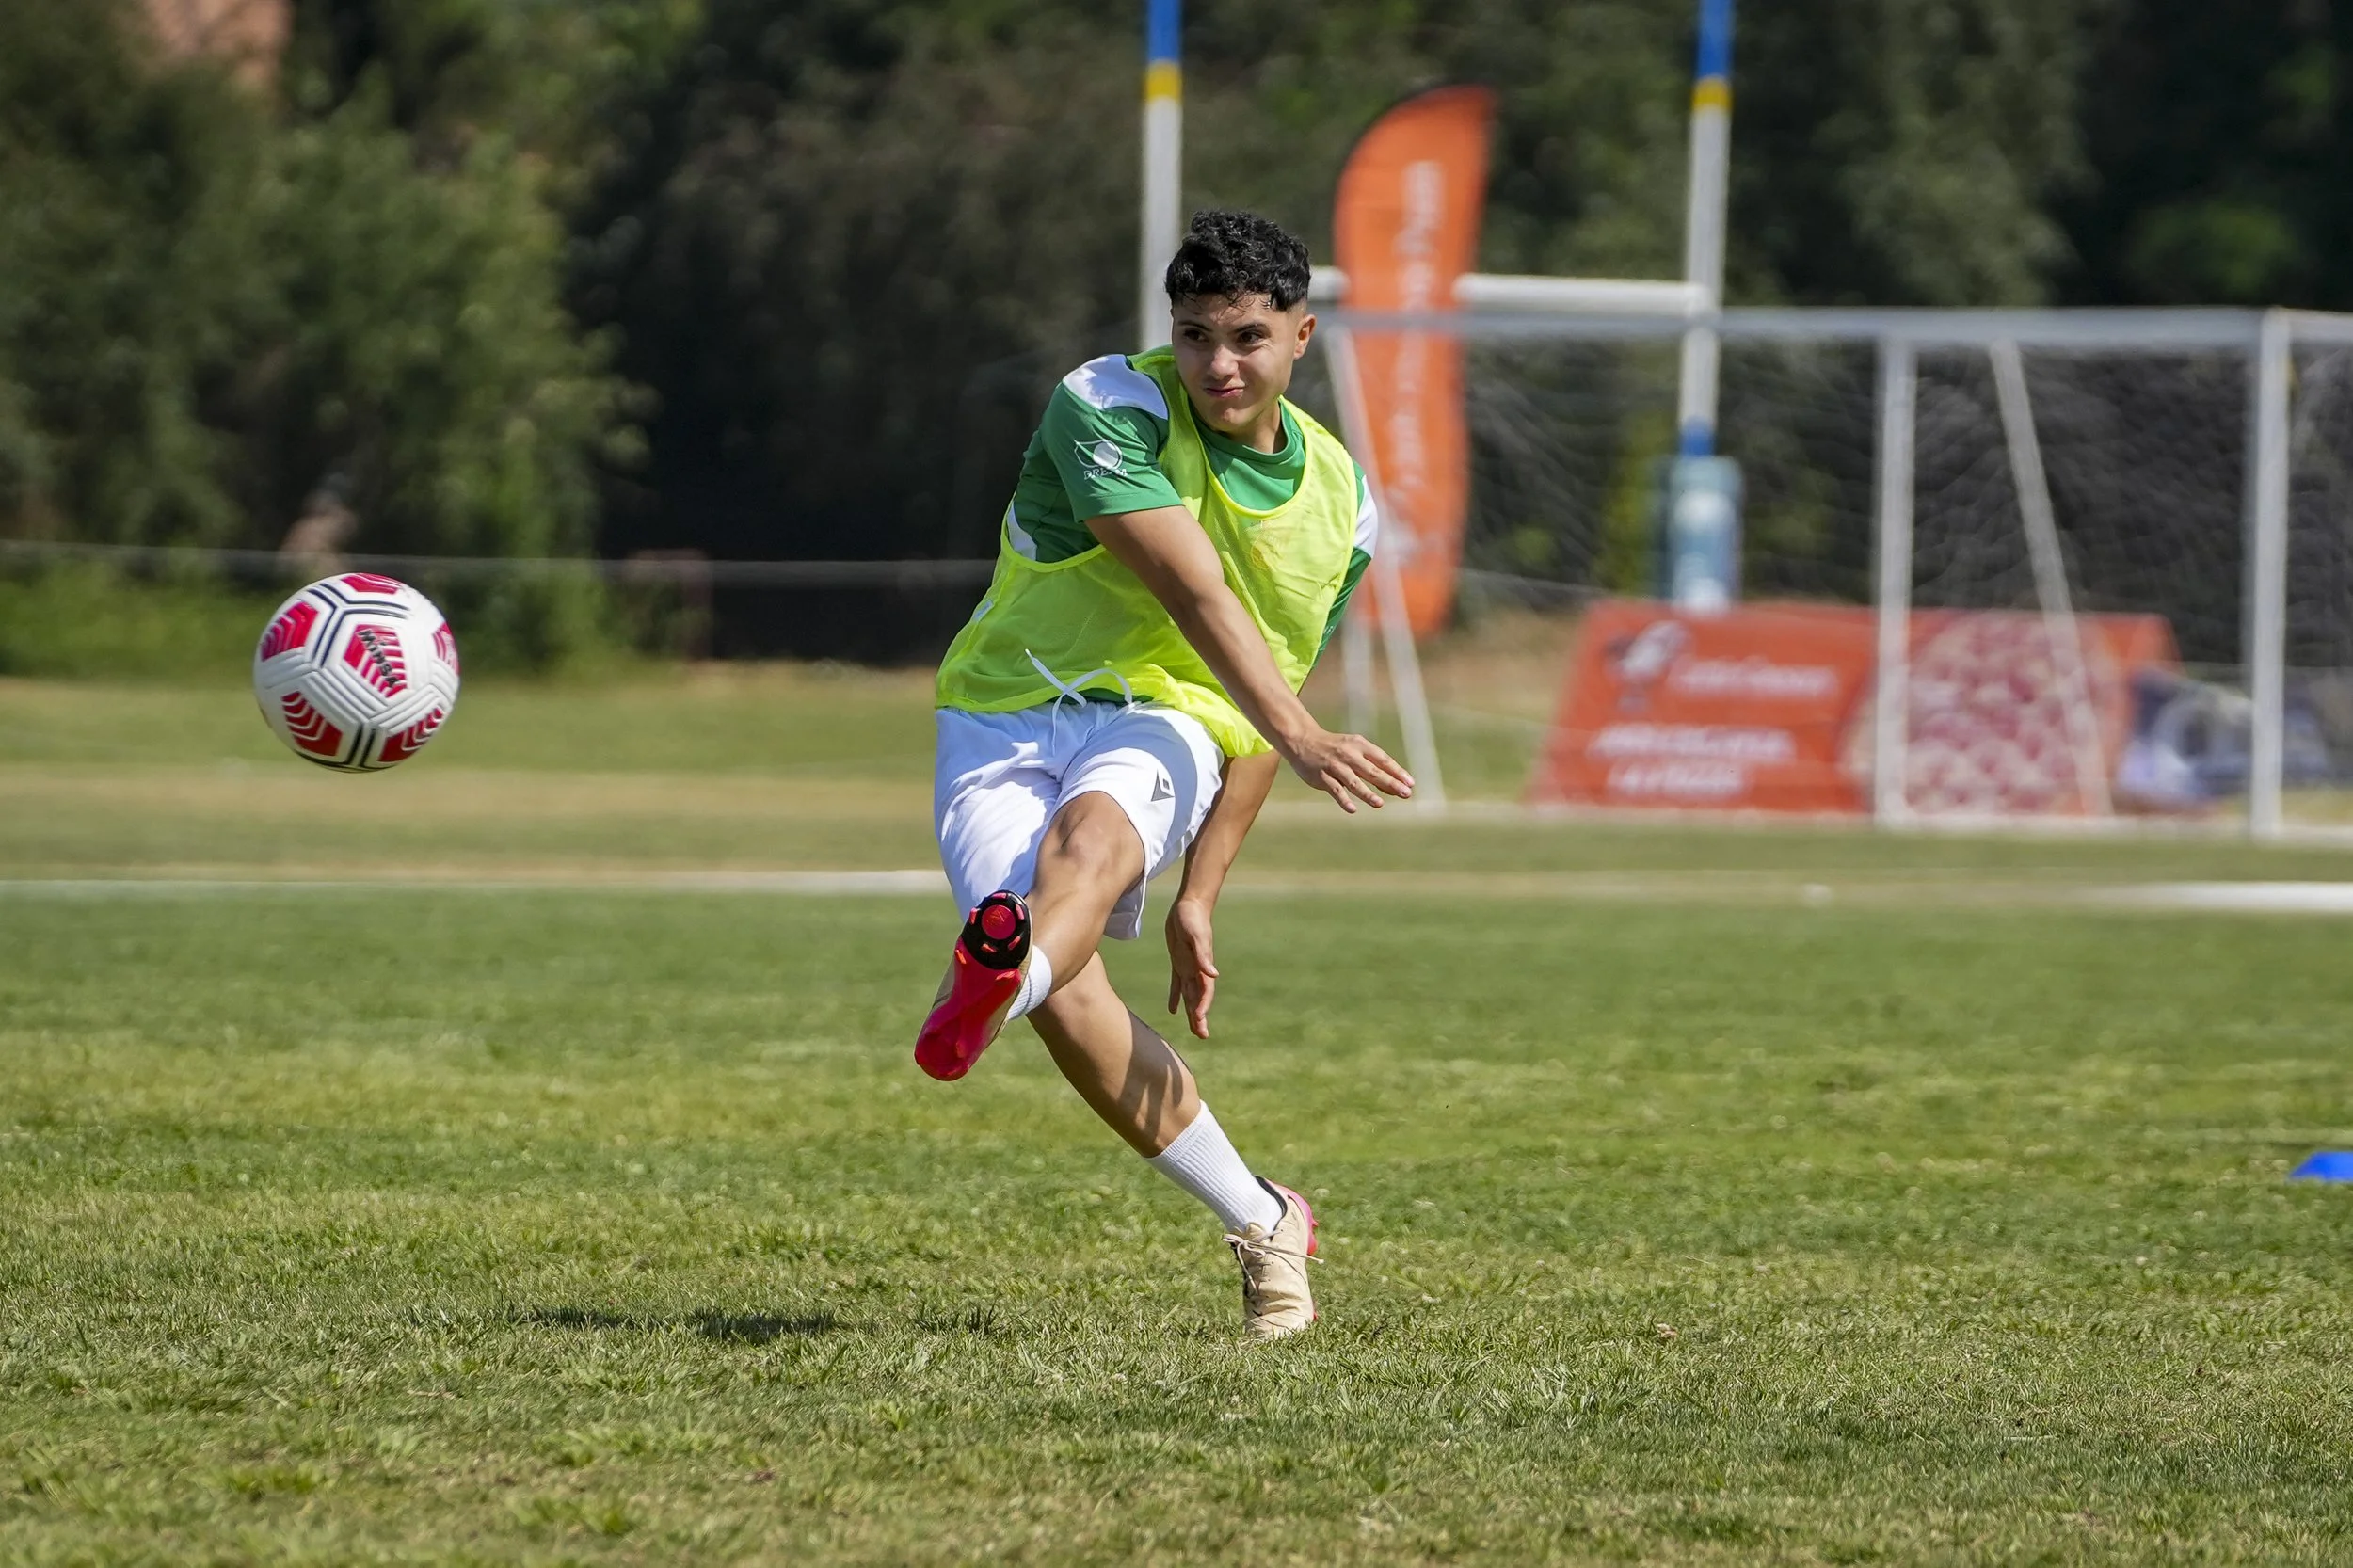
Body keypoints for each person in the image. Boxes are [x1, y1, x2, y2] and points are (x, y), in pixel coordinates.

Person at [920, 209, 1413, 1341]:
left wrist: (1202, 891)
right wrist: (1305, 734)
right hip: (999, 708)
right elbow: (1196, 592)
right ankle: (1264, 1213)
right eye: (1195, 335)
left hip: (1166, 714)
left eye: (1247, 337)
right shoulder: (1108, 402)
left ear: (1303, 336)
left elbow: (1248, 701)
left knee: (1081, 855)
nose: (1218, 365)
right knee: (1069, 992)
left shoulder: (1341, 507)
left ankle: (996, 976)